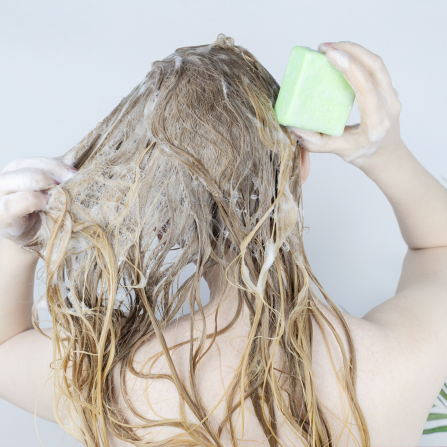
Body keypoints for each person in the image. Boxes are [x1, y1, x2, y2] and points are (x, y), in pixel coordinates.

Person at [0, 35, 446, 447]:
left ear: (162, 222)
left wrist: (16, 244)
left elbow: (4, 350)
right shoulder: (396, 366)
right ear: (302, 165)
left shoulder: (122, 389)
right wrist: (387, 155)